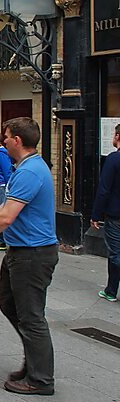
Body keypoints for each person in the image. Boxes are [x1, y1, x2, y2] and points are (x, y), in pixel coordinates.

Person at [0, 117, 58, 396]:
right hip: (20, 251)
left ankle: (40, 379)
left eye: (6, 137)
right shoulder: (24, 168)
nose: (3, 141)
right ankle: (33, 362)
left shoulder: (30, 171)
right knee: (9, 304)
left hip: (33, 254)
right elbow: (5, 207)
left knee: (31, 317)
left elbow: (7, 216)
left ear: (17, 140)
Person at [91, 123, 120, 303]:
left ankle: (111, 291)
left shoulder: (114, 159)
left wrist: (96, 214)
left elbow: (104, 190)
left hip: (115, 215)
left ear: (117, 136)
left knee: (116, 253)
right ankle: (110, 289)